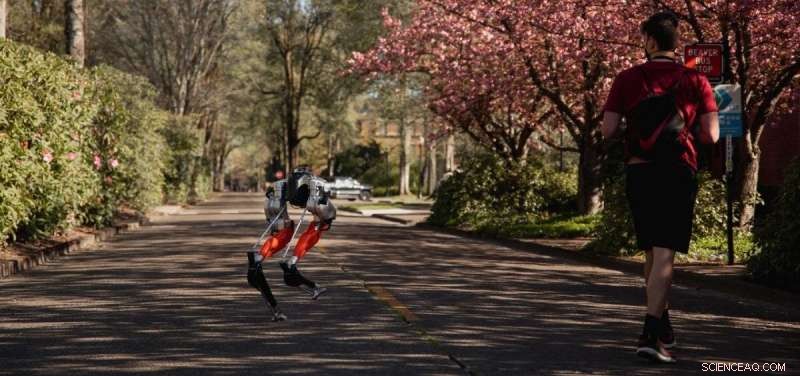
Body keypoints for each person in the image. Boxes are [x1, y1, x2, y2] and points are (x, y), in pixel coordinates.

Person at [601, 12, 720, 363]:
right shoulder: (695, 80)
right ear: (674, 42)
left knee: (652, 251)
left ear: (650, 41)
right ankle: (651, 333)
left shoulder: (627, 78)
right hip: (677, 171)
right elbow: (711, 134)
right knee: (665, 250)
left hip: (640, 171)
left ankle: (662, 321)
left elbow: (607, 131)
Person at [247, 166, 336, 321]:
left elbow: (275, 220)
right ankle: (292, 265)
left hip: (278, 203)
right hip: (303, 205)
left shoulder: (280, 186)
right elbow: (324, 216)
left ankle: (265, 263)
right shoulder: (314, 185)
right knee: (315, 225)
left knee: (285, 230)